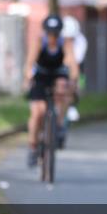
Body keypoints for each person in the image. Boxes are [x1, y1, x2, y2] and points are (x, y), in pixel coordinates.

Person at [25, 14, 79, 167]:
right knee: (38, 112)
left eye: (55, 33)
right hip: (41, 75)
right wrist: (28, 75)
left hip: (57, 74)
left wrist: (74, 79)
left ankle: (60, 124)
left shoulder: (65, 43)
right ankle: (33, 145)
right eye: (50, 33)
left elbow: (72, 62)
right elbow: (29, 62)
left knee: (64, 86)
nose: (52, 37)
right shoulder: (39, 42)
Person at [61, 15, 88, 122]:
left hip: (76, 64)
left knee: (77, 84)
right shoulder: (57, 38)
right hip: (60, 63)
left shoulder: (81, 41)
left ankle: (73, 105)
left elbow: (76, 61)